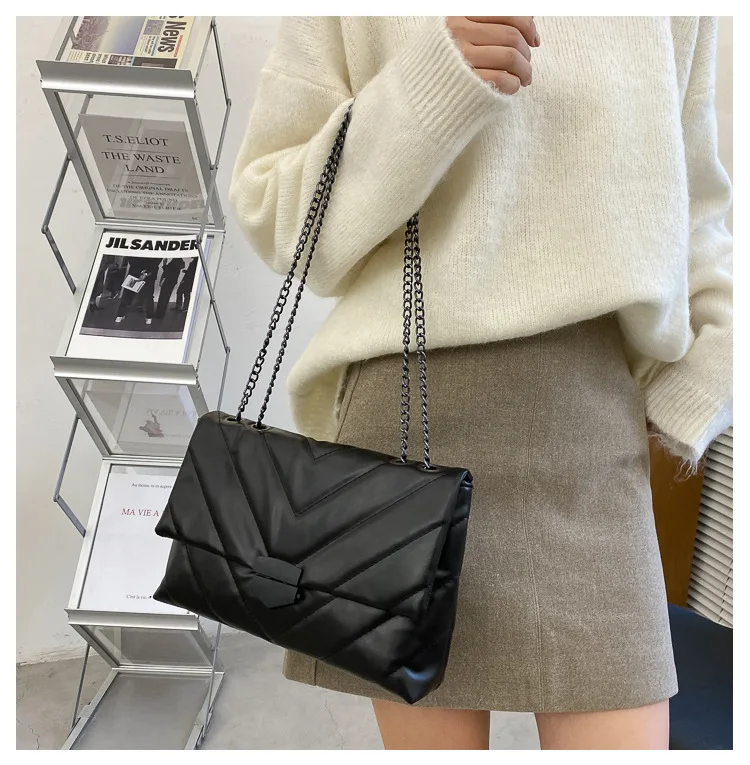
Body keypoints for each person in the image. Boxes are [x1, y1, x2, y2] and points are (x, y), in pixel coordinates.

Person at [229, 16, 733, 751]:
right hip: (405, 433)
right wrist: (428, 88)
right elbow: (278, 216)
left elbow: (699, 207)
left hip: (588, 428)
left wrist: (707, 374)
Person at [114, 256, 157, 325]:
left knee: (127, 294)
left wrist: (139, 271)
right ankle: (149, 318)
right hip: (150, 274)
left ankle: (119, 316)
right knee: (148, 296)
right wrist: (146, 272)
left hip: (135, 272)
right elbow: (157, 260)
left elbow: (131, 258)